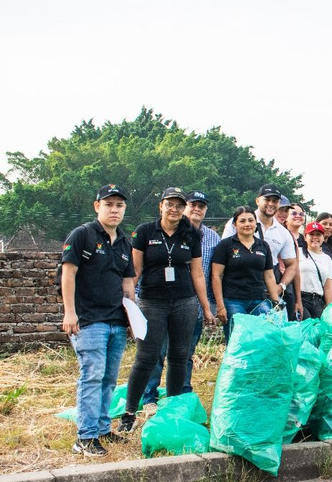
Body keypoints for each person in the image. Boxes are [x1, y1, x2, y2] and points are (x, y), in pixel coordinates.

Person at [119, 187, 215, 432]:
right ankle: (129, 414)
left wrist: (205, 307)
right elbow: (135, 271)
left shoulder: (190, 233)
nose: (174, 209)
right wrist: (128, 304)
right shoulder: (145, 231)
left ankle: (172, 411)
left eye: (179, 205)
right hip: (152, 302)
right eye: (169, 204)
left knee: (179, 357)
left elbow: (197, 273)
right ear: (160, 206)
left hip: (184, 302)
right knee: (146, 357)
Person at [61, 184, 135, 456]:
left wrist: (132, 318)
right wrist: (70, 312)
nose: (114, 210)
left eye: (119, 205)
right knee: (92, 377)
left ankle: (103, 428)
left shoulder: (124, 242)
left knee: (109, 378)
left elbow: (127, 283)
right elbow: (68, 274)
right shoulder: (82, 235)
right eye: (108, 204)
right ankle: (85, 437)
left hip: (116, 320)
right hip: (89, 320)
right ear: (97, 207)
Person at [141, 190, 220, 409]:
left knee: (184, 354)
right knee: (156, 352)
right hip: (158, 302)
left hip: (192, 304)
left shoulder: (211, 237)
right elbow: (140, 268)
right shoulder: (155, 232)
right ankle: (149, 396)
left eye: (201, 206)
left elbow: (207, 273)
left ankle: (180, 396)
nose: (197, 209)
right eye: (193, 205)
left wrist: (209, 306)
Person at [221, 184, 297, 314]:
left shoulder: (283, 233)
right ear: (257, 201)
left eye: (275, 201)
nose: (271, 204)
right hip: (235, 293)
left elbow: (292, 265)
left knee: (270, 326)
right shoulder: (238, 222)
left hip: (265, 291)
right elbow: (222, 258)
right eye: (267, 199)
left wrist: (280, 287)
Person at [211, 206, 281, 340]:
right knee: (238, 341)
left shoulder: (263, 246)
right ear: (235, 224)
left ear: (256, 223)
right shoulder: (225, 245)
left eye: (250, 220)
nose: (247, 224)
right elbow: (216, 276)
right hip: (233, 301)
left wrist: (276, 301)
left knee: (263, 339)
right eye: (242, 221)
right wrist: (220, 306)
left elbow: (269, 275)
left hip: (259, 300)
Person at [300, 221, 332, 318]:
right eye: (311, 234)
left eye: (318, 235)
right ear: (305, 237)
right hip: (301, 299)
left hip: (317, 301)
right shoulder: (298, 253)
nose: (315, 237)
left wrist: (329, 308)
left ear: (323, 237)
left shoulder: (327, 259)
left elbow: (328, 286)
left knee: (319, 327)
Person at [283, 202, 306, 320]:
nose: (298, 216)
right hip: (286, 288)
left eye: (301, 214)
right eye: (294, 213)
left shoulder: (306, 240)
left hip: (304, 291)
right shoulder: (282, 236)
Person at [316, 212, 332, 279]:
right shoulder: (312, 246)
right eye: (324, 224)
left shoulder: (330, 247)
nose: (328, 227)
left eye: (331, 225)